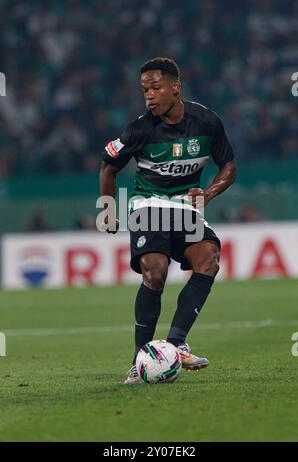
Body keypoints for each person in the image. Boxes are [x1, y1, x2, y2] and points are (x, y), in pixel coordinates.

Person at [100, 57, 236, 384]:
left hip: (186, 208)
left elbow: (229, 166)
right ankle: (138, 359)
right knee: (156, 271)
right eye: (144, 89)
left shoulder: (207, 122)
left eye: (156, 88)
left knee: (209, 260)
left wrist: (207, 194)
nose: (148, 95)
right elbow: (109, 166)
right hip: (148, 204)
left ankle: (175, 346)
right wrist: (107, 208)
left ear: (176, 87)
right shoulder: (140, 128)